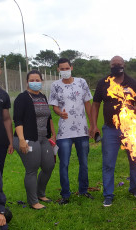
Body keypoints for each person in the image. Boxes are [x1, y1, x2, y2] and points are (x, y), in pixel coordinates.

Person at [90, 56, 136, 207]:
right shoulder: (103, 83)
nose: (116, 66)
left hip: (130, 129)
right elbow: (95, 105)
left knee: (134, 161)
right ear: (110, 66)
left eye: (119, 64)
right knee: (108, 163)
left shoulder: (132, 83)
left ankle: (134, 188)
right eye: (114, 64)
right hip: (110, 130)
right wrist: (93, 125)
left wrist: (132, 108)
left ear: (124, 65)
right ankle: (108, 195)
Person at [49, 58, 94, 205]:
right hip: (64, 132)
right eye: (61, 69)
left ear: (71, 67)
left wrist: (93, 124)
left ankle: (83, 190)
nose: (64, 71)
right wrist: (59, 113)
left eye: (66, 68)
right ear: (58, 70)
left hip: (82, 130)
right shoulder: (55, 85)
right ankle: (65, 194)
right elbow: (54, 106)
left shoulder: (82, 82)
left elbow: (88, 104)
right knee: (64, 164)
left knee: (84, 163)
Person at [13, 70, 56, 209]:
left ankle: (40, 193)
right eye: (32, 80)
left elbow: (49, 118)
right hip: (28, 138)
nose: (35, 82)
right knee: (32, 169)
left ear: (41, 82)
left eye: (38, 80)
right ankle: (33, 201)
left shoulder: (43, 97)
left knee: (49, 166)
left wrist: (53, 134)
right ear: (27, 82)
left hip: (44, 138)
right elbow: (18, 120)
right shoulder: (22, 98)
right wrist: (21, 140)